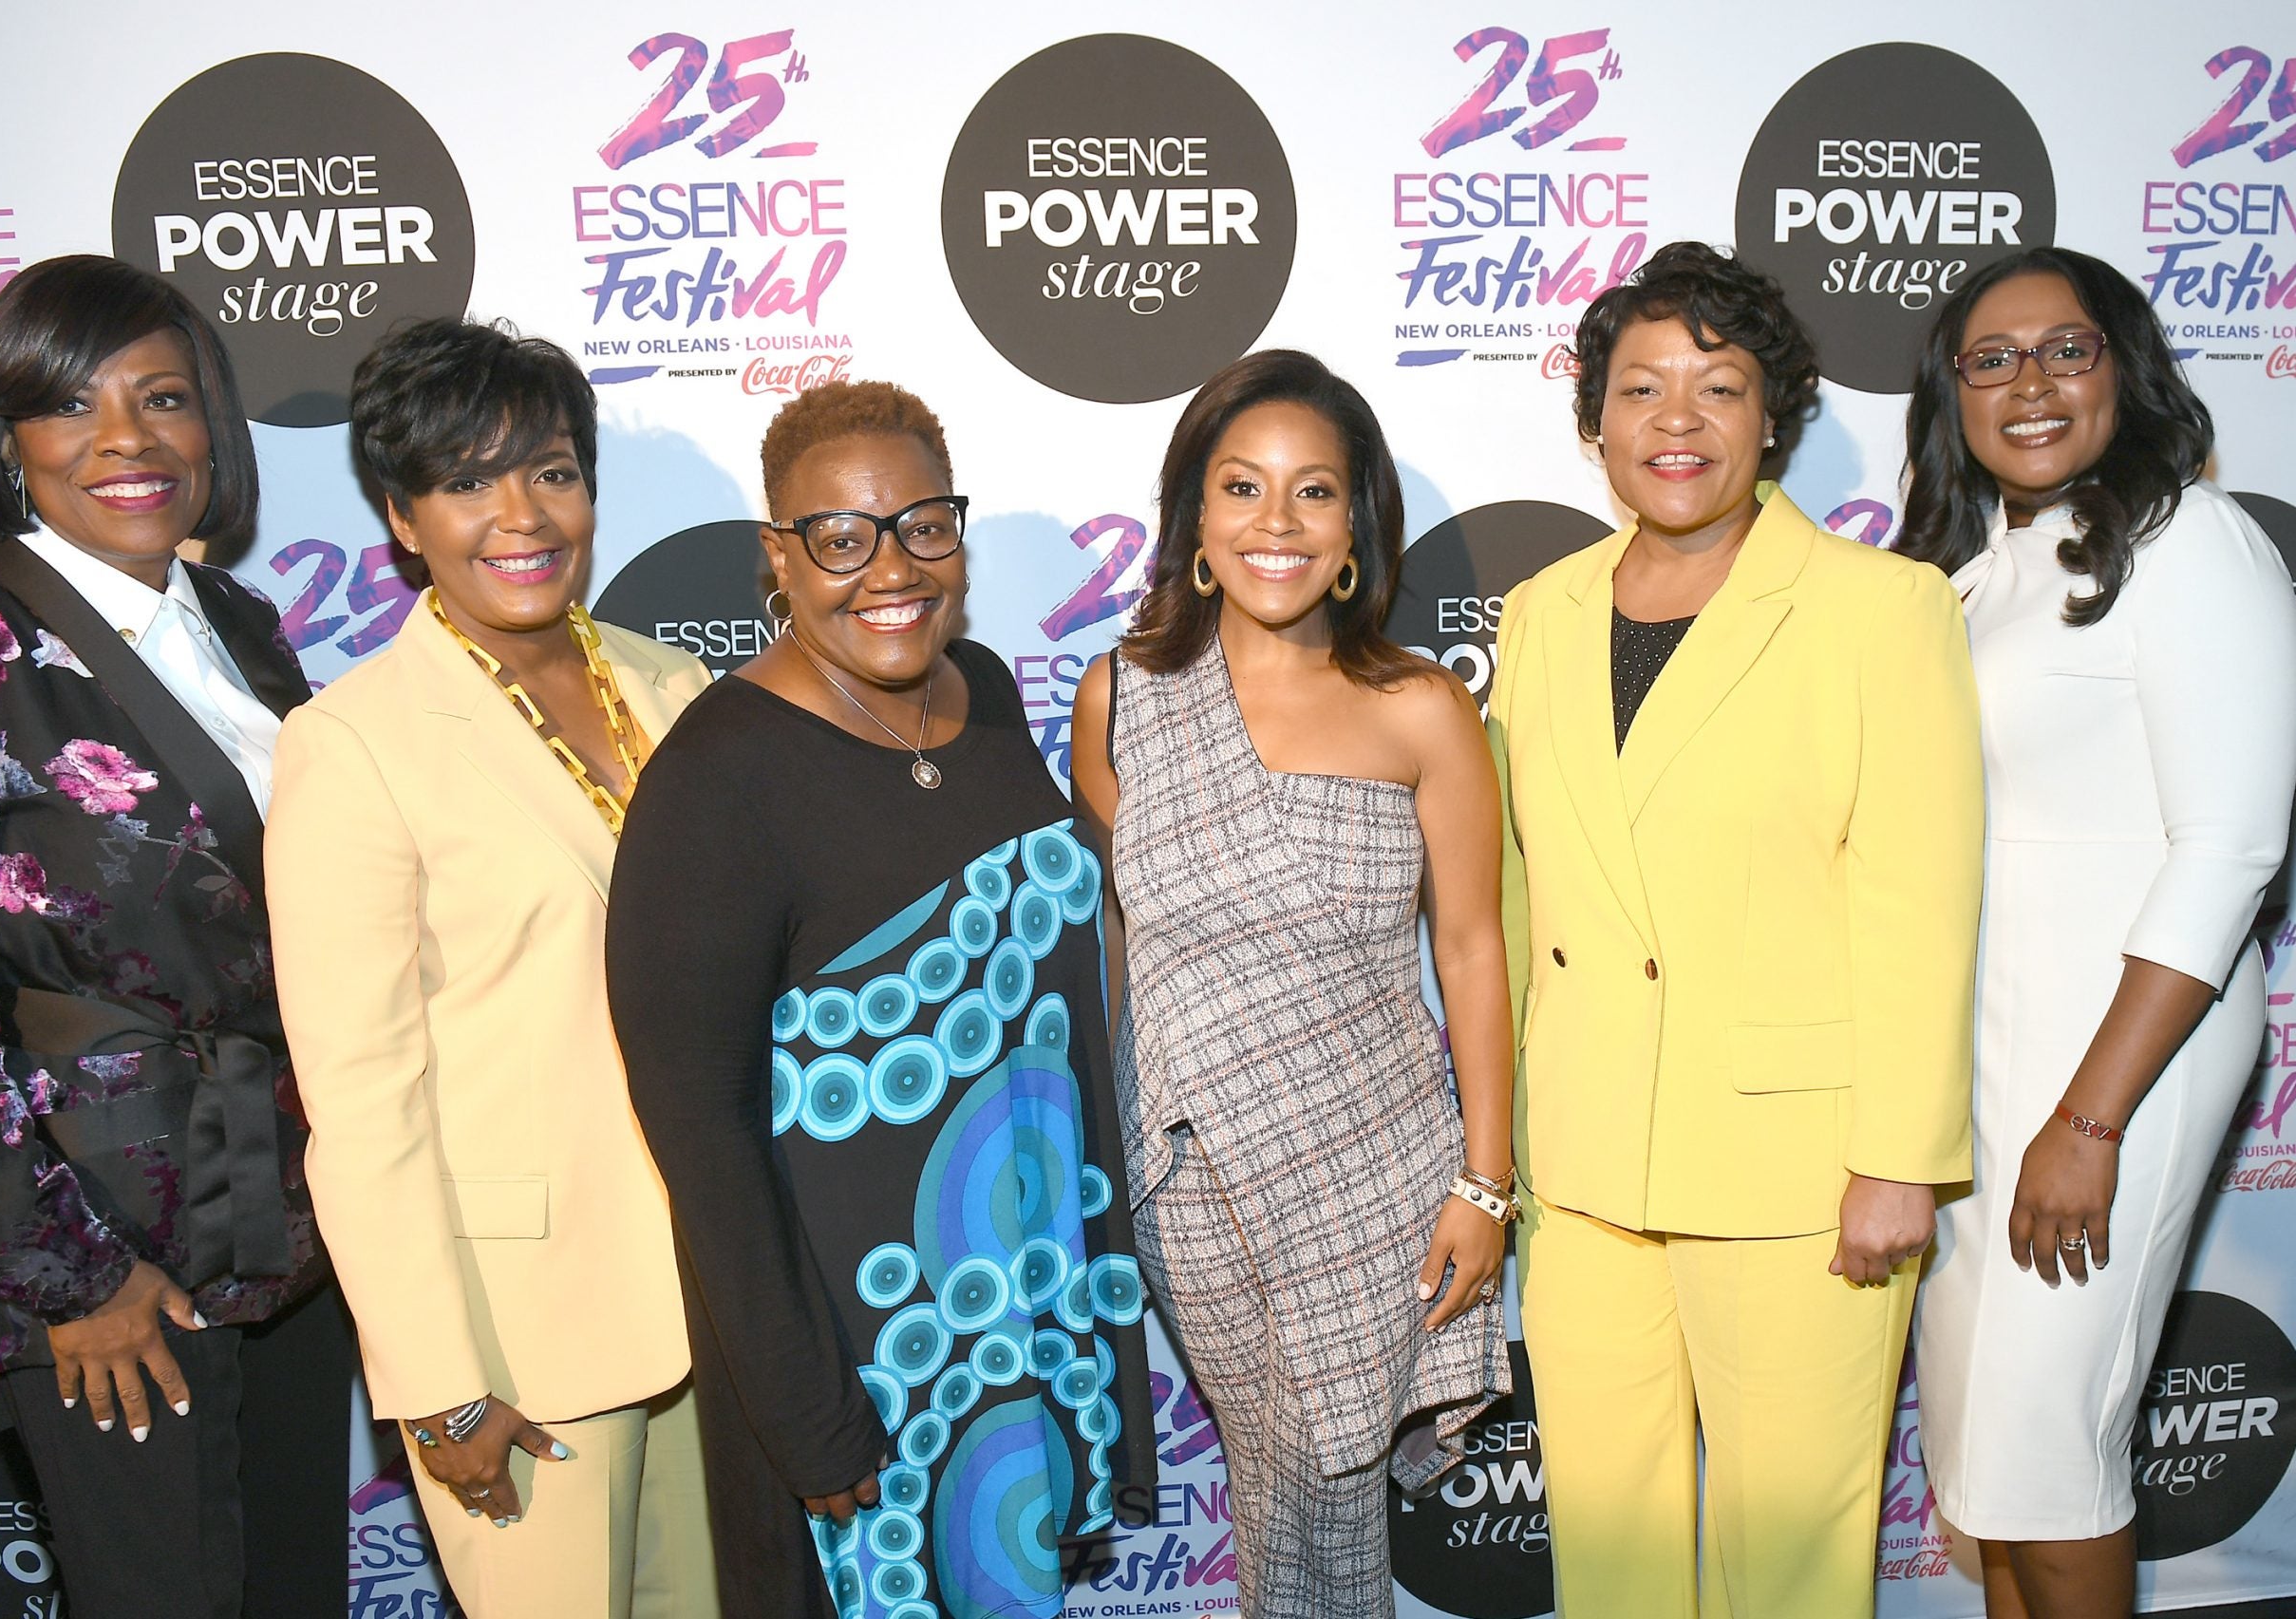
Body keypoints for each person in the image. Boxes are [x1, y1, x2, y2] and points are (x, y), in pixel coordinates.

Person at [1489, 241, 1985, 1618]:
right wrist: (1507, 1138)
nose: (1678, 419)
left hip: (1799, 1175)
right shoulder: (1540, 613)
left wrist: (1900, 1160)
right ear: (1595, 421)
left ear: (1775, 418)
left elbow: (1920, 900)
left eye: (1720, 387)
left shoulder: (1882, 608)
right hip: (1581, 1168)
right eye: (1641, 387)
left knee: (1789, 1567)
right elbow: (1520, 897)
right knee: (1613, 1557)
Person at [606, 379, 1156, 1619]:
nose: (891, 568)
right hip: (861, 1350)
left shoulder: (987, 693)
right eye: (841, 537)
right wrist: (809, 1409)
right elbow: (698, 1125)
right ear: (779, 556)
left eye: (923, 525)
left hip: (1021, 1299)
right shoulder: (716, 776)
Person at [264, 318, 718, 1618]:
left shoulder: (676, 686)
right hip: (521, 1333)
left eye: (553, 471)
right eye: (467, 480)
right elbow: (361, 1096)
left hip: (715, 1300)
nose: (521, 515)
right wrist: (436, 1378)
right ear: (402, 518)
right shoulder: (354, 743)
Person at [0, 254, 343, 1617]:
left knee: (292, 1590)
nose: (127, 439)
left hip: (289, 1225)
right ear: (4, 437)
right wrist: (68, 1277)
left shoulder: (240, 626)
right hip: (105, 1250)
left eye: (162, 398)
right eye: (72, 404)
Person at [1068, 348, 1515, 1619]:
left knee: (1322, 1487)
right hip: (1195, 1176)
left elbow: (1471, 949)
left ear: (1355, 524)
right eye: (1242, 487)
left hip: (1381, 1176)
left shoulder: (1421, 707)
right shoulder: (1121, 698)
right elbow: (1126, 939)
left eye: (1313, 491)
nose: (1277, 522)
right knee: (1289, 1479)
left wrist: (1485, 1182)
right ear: (1196, 521)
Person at [1903, 248, 2296, 1619]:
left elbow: (2232, 849)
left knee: (2049, 1451)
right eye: (1991, 358)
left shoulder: (2192, 543)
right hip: (1986, 1055)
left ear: (2123, 369)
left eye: (2065, 350)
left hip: (2122, 1051)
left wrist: (2090, 1119)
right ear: (1953, 392)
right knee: (1991, 1462)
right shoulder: (1972, 574)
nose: (2029, 383)